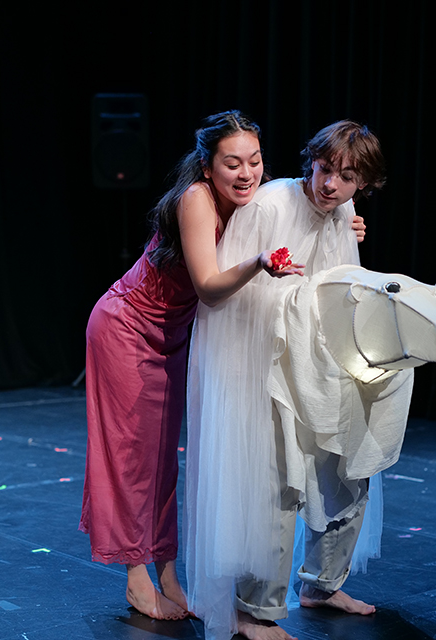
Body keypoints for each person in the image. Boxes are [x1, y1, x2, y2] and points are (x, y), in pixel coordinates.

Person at [79, 111, 310, 621]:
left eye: (255, 161)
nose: (247, 173)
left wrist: (343, 220)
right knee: (131, 458)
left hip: (172, 337)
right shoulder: (197, 199)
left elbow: (306, 198)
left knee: (163, 460)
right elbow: (207, 286)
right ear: (208, 166)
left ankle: (167, 574)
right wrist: (258, 262)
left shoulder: (254, 200)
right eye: (233, 163)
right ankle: (136, 577)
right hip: (126, 328)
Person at [184, 121, 387, 640]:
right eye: (324, 170)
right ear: (310, 163)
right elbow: (228, 300)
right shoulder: (270, 205)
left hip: (320, 361)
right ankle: (257, 610)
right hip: (265, 363)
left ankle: (322, 583)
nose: (330, 185)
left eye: (346, 177)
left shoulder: (342, 211)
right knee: (277, 481)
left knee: (352, 461)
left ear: (362, 184)